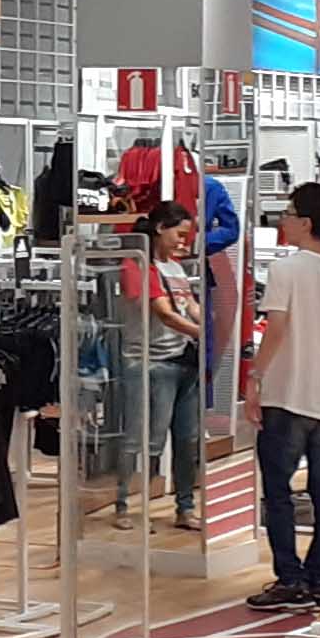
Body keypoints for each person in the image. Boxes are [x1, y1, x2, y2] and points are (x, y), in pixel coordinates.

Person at [244, 180, 320, 611]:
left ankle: (290, 578)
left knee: (279, 492)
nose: (283, 221)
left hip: (286, 394)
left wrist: (255, 375)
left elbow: (276, 329)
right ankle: (319, 579)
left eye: (289, 214)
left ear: (306, 223)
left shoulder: (286, 270)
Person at [120, 197, 204, 526]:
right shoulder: (136, 266)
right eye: (179, 234)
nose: (184, 241)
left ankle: (185, 506)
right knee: (143, 439)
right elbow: (164, 313)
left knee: (187, 439)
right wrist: (203, 332)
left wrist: (209, 328)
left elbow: (189, 306)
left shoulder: (175, 268)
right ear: (159, 228)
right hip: (150, 362)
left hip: (181, 361)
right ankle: (124, 504)